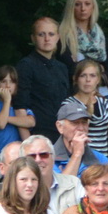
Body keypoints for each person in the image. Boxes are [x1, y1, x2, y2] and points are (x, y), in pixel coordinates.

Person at [15, 17, 70, 146]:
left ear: (58, 37)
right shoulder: (25, 66)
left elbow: (67, 104)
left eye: (51, 34)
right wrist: (28, 145)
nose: (47, 39)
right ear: (33, 38)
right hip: (37, 136)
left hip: (61, 135)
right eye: (41, 34)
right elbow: (20, 107)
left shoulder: (62, 68)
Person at [63, 59, 108, 161]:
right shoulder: (69, 104)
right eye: (83, 75)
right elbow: (74, 135)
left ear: (98, 79)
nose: (88, 80)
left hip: (102, 161)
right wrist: (89, 113)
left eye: (92, 75)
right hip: (80, 160)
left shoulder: (106, 103)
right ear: (75, 79)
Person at [54, 97, 108, 177]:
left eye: (84, 122)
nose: (81, 128)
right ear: (60, 127)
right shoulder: (46, 156)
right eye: (75, 123)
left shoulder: (100, 159)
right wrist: (77, 154)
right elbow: (63, 188)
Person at [56, 0, 107, 68]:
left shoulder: (100, 34)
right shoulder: (63, 35)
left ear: (93, 6)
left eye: (87, 4)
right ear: (71, 7)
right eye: (77, 4)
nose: (83, 8)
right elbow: (69, 68)